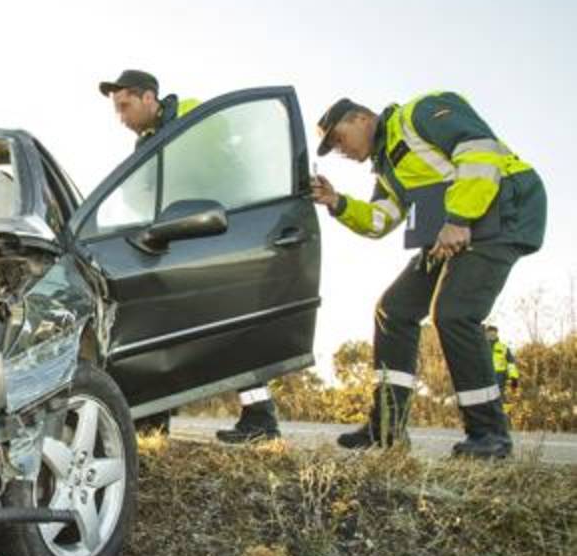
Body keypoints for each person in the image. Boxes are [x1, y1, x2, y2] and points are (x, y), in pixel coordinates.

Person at [310, 92, 546, 459]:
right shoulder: (386, 165)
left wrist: (459, 219)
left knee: (454, 312)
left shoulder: (418, 114)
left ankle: (489, 436)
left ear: (360, 119)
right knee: (394, 310)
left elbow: (479, 148)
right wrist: (337, 202)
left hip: (503, 209)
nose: (340, 151)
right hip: (454, 228)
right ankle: (387, 429)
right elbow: (379, 220)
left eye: (339, 139)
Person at [98, 69, 281, 443]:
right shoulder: (145, 146)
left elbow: (216, 163)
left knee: (233, 321)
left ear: (149, 98)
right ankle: (152, 419)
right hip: (177, 238)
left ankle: (261, 417)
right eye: (117, 110)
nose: (121, 118)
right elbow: (141, 195)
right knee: (161, 324)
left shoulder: (195, 118)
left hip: (220, 232)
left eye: (125, 106)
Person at [485, 324, 520, 396]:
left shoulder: (503, 347)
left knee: (500, 399)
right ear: (486, 334)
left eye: (493, 333)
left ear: (497, 334)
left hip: (499, 378)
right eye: (489, 333)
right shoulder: (481, 347)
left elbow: (511, 364)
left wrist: (514, 379)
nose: (492, 335)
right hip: (484, 377)